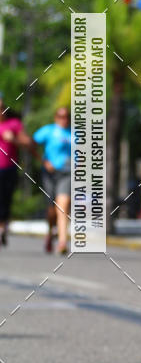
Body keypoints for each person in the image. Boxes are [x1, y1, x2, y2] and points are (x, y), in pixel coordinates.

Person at [33, 107, 72, 254]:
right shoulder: (48, 131)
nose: (64, 119)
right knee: (51, 209)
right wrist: (43, 161)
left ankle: (62, 242)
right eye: (61, 116)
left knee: (63, 205)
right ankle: (50, 232)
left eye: (67, 116)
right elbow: (32, 144)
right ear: (56, 118)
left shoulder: (75, 134)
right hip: (50, 174)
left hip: (67, 173)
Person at [0, 96, 37, 247]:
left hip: (8, 168)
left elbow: (29, 142)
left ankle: (2, 228)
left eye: (1, 108)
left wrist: (14, 139)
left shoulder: (13, 124)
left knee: (5, 198)